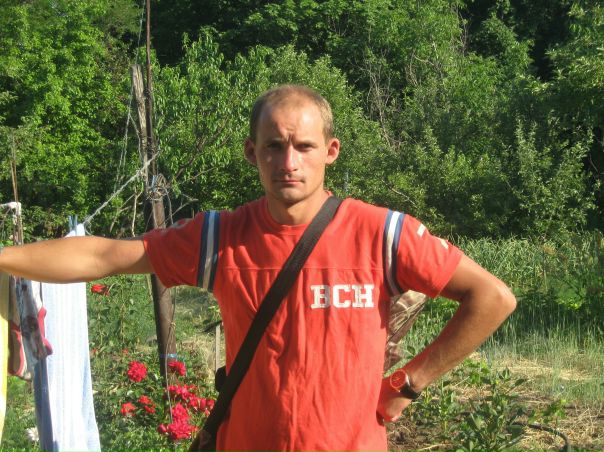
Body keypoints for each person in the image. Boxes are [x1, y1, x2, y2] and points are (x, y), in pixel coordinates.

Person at [0, 84, 516, 452]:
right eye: (274, 146)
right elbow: (102, 255)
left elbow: (493, 298)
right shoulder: (221, 237)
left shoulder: (382, 234)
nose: (289, 162)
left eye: (304, 146)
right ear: (252, 152)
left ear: (330, 152)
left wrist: (407, 383)